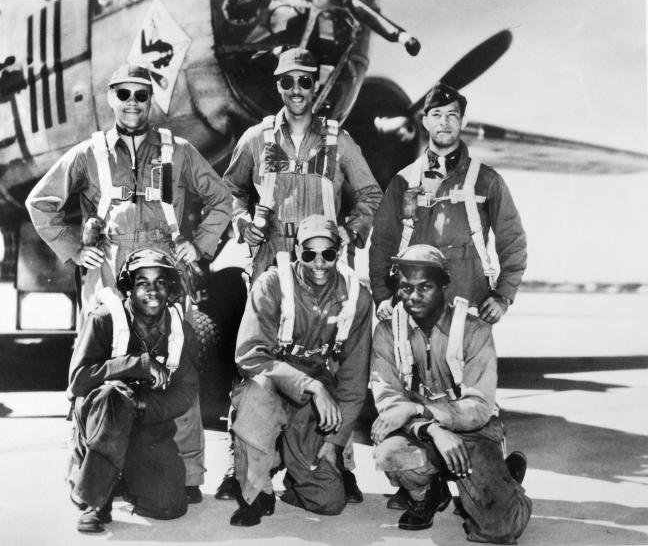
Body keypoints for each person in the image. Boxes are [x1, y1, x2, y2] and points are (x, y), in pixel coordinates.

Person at [26, 63, 232, 502]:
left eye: (141, 94)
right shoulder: (89, 153)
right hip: (108, 276)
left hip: (164, 276)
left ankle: (188, 473)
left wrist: (199, 245)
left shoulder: (178, 150)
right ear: (111, 98)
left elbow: (221, 199)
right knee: (100, 373)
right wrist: (74, 250)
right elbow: (40, 202)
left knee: (178, 368)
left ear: (151, 99)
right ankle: (90, 472)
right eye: (124, 94)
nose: (133, 103)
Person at [219, 46, 382, 501]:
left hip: (322, 267)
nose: (296, 91)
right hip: (271, 264)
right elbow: (230, 189)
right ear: (278, 86)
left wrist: (351, 231)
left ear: (317, 86)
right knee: (258, 363)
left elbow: (369, 193)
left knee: (328, 364)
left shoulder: (337, 141)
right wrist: (241, 222)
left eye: (305, 82)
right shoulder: (256, 138)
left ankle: (336, 459)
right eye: (287, 82)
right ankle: (244, 465)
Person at [370, 244, 532, 543]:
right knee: (389, 452)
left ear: (444, 285)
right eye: (406, 287)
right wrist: (430, 428)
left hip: (473, 431)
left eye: (425, 287)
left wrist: (423, 411)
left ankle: (507, 482)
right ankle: (428, 495)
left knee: (499, 528)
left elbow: (479, 406)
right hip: (419, 431)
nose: (414, 296)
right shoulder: (387, 331)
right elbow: (389, 399)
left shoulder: (474, 329)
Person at [228, 215, 373, 526]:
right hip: (271, 381)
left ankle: (291, 464)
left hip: (312, 398)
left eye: (328, 253)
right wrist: (312, 386)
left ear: (338, 251)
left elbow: (354, 380)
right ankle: (256, 490)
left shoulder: (356, 297)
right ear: (296, 251)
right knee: (254, 401)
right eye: (309, 254)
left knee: (329, 502)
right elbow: (250, 356)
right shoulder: (271, 284)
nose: (319, 263)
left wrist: (335, 443)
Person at [369, 82, 526, 326]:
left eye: (452, 115)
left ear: (463, 122)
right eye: (437, 114)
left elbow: (513, 241)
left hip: (469, 309)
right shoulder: (403, 182)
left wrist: (503, 296)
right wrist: (382, 296)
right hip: (413, 311)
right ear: (424, 121)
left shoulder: (487, 181)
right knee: (409, 364)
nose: (444, 122)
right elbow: (382, 243)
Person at [68, 249, 200, 532]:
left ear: (170, 287)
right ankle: (94, 502)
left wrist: (142, 408)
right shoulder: (104, 320)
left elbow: (185, 391)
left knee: (168, 505)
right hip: (102, 418)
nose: (152, 290)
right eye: (142, 282)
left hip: (146, 420)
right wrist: (136, 364)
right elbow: (78, 380)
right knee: (113, 397)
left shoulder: (181, 331)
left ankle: (123, 478)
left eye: (160, 282)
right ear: (129, 287)